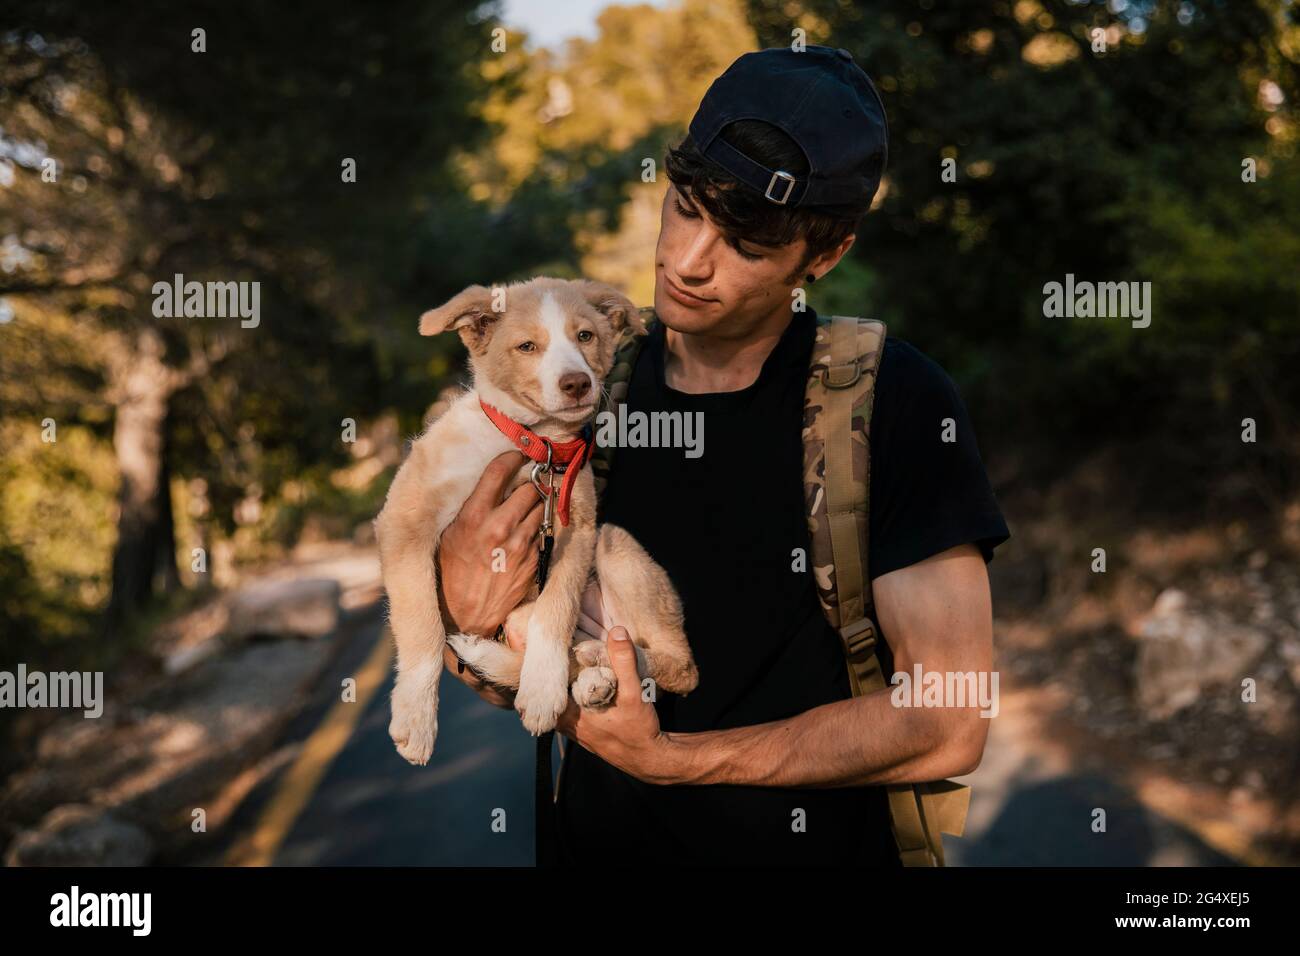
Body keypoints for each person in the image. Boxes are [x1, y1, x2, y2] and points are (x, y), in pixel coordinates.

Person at [435, 45, 1010, 866]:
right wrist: (470, 616)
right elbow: (511, 671)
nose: (689, 261)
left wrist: (674, 764)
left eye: (745, 244)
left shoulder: (896, 404)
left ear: (826, 255)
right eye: (686, 207)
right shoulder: (585, 388)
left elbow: (949, 720)